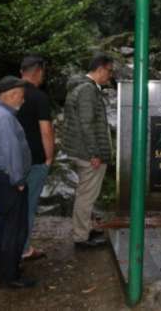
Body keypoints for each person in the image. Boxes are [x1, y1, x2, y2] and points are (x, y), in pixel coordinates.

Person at [0, 75, 35, 289]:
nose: (22, 101)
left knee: (2, 227)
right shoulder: (4, 117)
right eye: (21, 96)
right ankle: (10, 276)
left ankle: (1, 270)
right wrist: (19, 179)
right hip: (9, 179)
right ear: (11, 95)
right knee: (14, 229)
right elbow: (11, 150)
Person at [62, 53, 114, 248]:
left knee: (86, 192)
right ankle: (81, 237)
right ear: (100, 69)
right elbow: (87, 124)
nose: (110, 75)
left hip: (80, 150)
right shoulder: (87, 90)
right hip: (87, 153)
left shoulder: (82, 87)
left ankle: (84, 228)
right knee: (86, 194)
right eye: (109, 71)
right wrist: (95, 153)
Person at [16, 56, 54, 261]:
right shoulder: (39, 97)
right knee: (28, 206)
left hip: (11, 160)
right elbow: (45, 130)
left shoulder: (8, 95)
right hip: (33, 160)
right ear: (38, 71)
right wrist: (49, 157)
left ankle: (10, 246)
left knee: (13, 206)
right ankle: (23, 249)